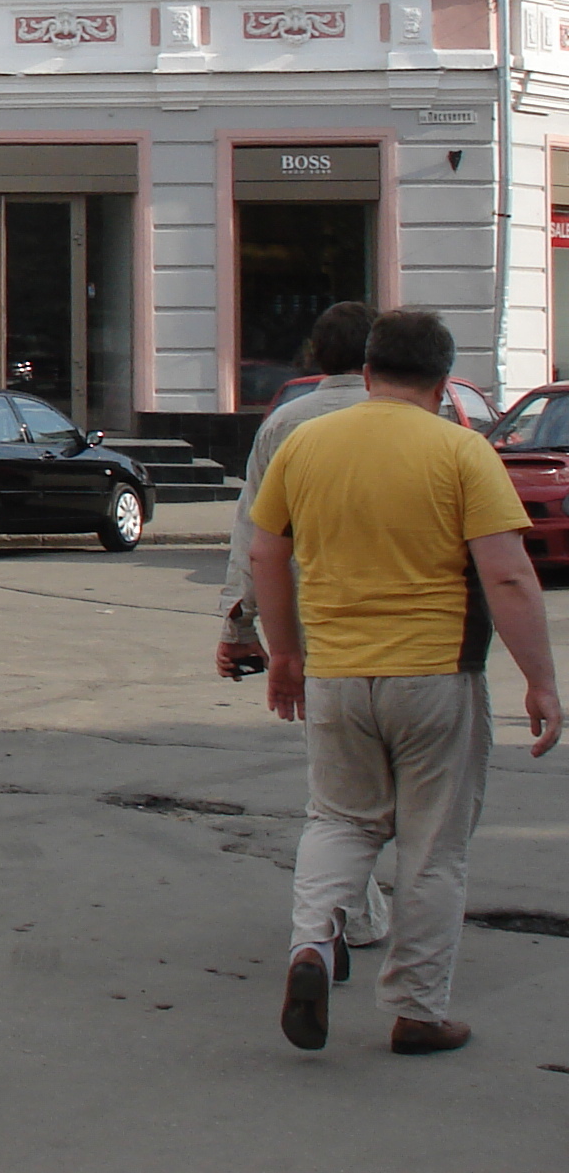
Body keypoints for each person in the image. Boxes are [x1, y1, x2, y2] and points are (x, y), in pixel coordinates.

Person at [250, 306, 561, 1056]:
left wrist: (285, 657)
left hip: (335, 675)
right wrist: (541, 683)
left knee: (338, 820)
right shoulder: (462, 451)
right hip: (436, 677)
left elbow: (266, 557)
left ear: (366, 372)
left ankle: (313, 948)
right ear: (442, 380)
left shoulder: (305, 442)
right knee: (432, 846)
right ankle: (418, 1011)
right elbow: (509, 575)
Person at [218, 304, 392, 961]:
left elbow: (252, 536)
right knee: (413, 776)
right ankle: (367, 918)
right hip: (415, 629)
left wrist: (241, 624)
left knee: (337, 784)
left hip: (315, 624)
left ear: (317, 356)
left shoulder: (286, 424)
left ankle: (343, 911)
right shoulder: (421, 421)